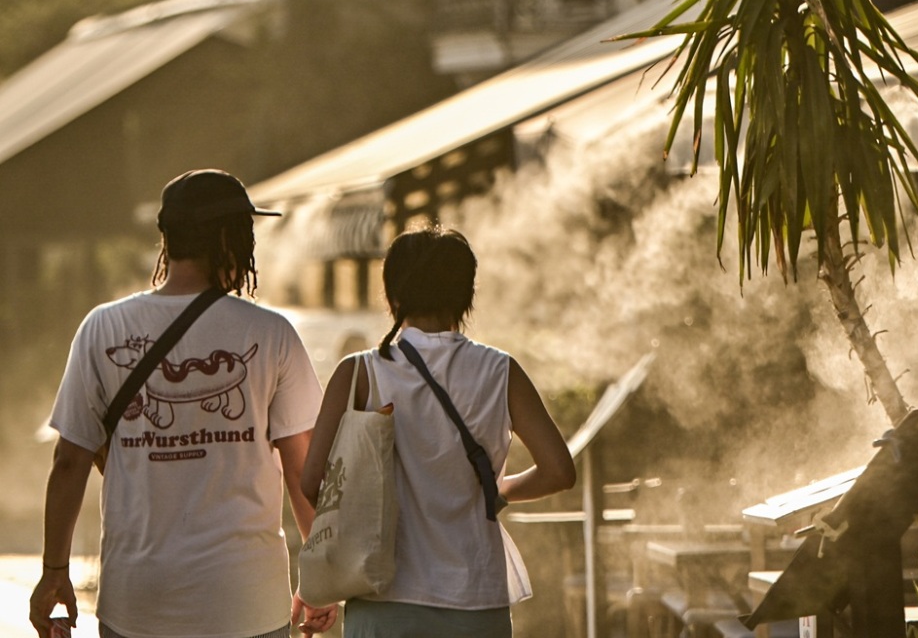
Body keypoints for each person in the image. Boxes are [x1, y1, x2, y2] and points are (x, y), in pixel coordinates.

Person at [29, 170, 338, 638]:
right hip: (246, 605)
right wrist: (319, 579)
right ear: (226, 238)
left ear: (167, 240)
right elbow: (301, 468)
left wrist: (54, 572)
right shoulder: (271, 334)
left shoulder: (103, 329)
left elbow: (69, 461)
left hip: (138, 606)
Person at [301, 224, 577, 638]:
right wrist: (497, 490)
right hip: (475, 601)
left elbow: (310, 482)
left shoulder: (359, 373)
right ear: (465, 296)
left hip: (383, 601)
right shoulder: (501, 371)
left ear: (394, 297)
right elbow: (559, 470)